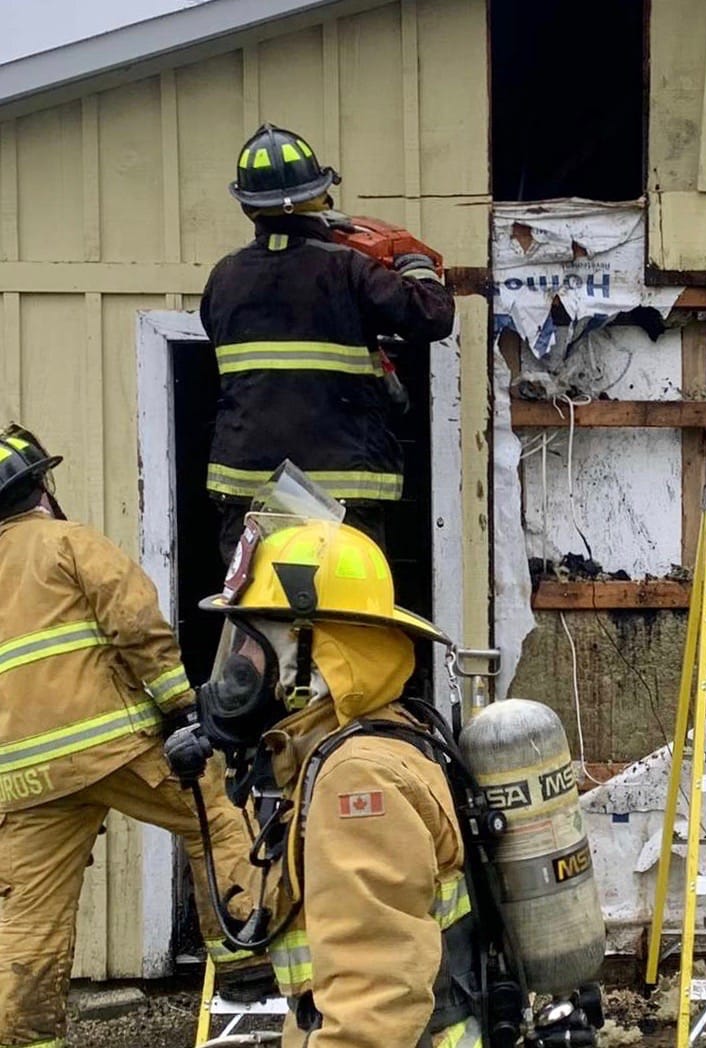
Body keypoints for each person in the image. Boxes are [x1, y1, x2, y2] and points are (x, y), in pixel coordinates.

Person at [0, 423, 270, 1048]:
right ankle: (243, 955)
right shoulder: (68, 542)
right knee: (215, 810)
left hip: (26, 779)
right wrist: (182, 709)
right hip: (114, 746)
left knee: (30, 914)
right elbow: (135, 622)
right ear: (42, 486)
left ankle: (23, 1038)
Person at [176, 509, 484, 1048]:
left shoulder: (356, 779)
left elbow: (373, 1006)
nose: (238, 663)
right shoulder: (348, 748)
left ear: (307, 654)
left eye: (250, 642)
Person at [201, 123, 456, 565]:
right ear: (320, 197)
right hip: (343, 493)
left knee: (259, 600)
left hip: (249, 493)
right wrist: (415, 265)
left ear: (248, 207)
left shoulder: (223, 277)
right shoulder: (349, 269)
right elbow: (433, 315)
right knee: (345, 600)